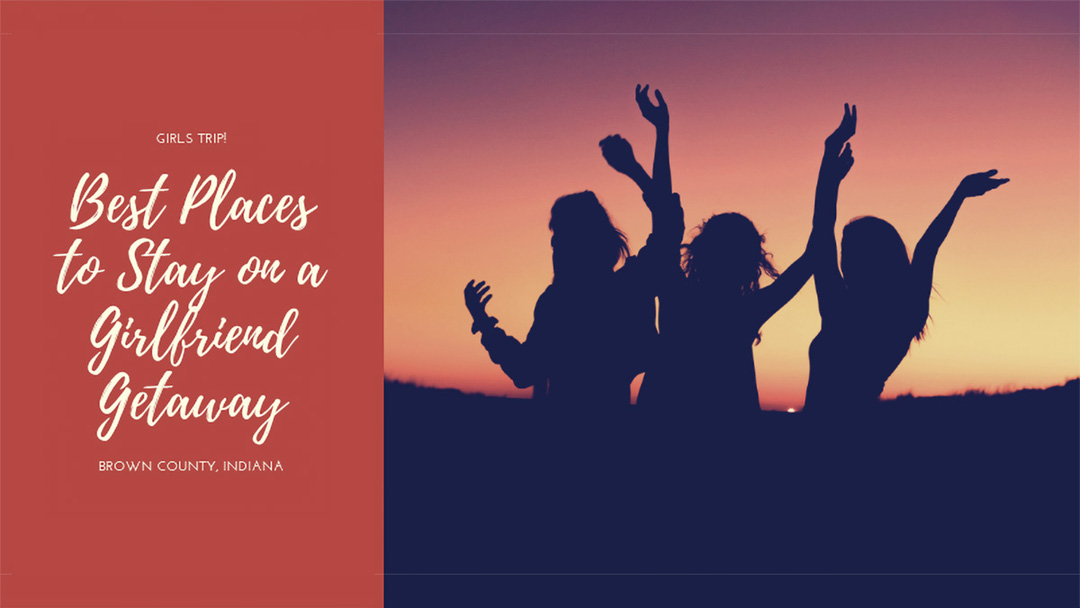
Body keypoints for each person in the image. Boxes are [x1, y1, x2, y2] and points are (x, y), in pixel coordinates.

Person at [601, 85, 813, 413]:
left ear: (700, 251)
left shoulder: (677, 293)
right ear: (752, 263)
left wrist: (659, 136)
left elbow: (665, 219)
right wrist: (828, 173)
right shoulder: (747, 311)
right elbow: (814, 253)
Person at [805, 103, 1009, 412]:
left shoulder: (839, 308)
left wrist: (829, 165)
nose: (842, 260)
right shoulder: (903, 313)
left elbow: (822, 228)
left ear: (869, 259)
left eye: (849, 252)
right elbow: (926, 249)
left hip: (820, 442)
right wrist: (959, 195)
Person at [463, 191, 659, 405]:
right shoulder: (628, 288)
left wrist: (484, 324)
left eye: (559, 240)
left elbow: (524, 370)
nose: (555, 248)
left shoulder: (557, 302)